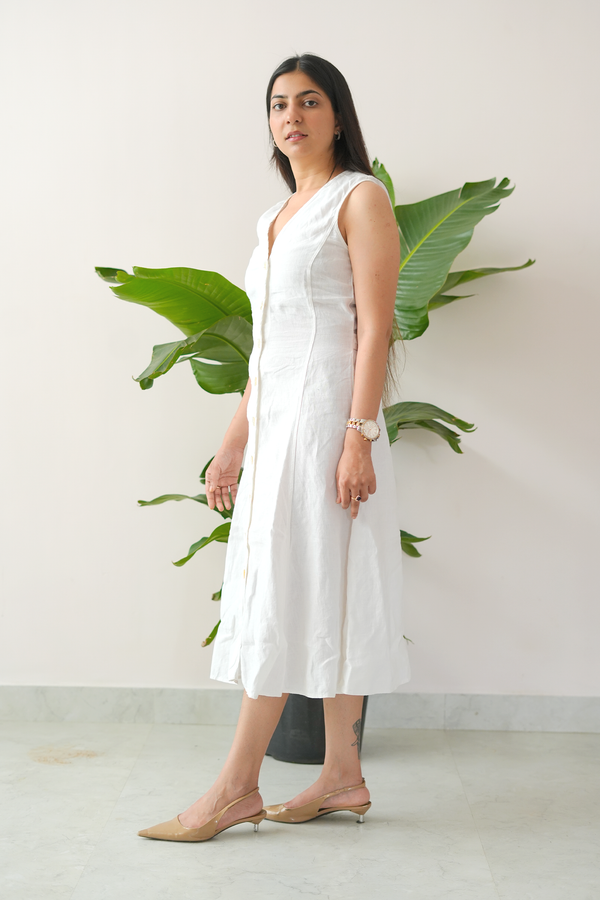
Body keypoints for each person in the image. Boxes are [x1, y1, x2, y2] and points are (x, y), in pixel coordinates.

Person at [138, 52, 410, 843]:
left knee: (307, 581)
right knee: (300, 580)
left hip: (329, 420)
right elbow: (267, 345)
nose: (291, 115)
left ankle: (234, 788)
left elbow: (374, 327)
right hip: (278, 423)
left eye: (310, 101)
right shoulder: (271, 219)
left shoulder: (359, 198)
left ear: (337, 115)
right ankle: (342, 775)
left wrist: (357, 437)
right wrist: (234, 438)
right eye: (278, 104)